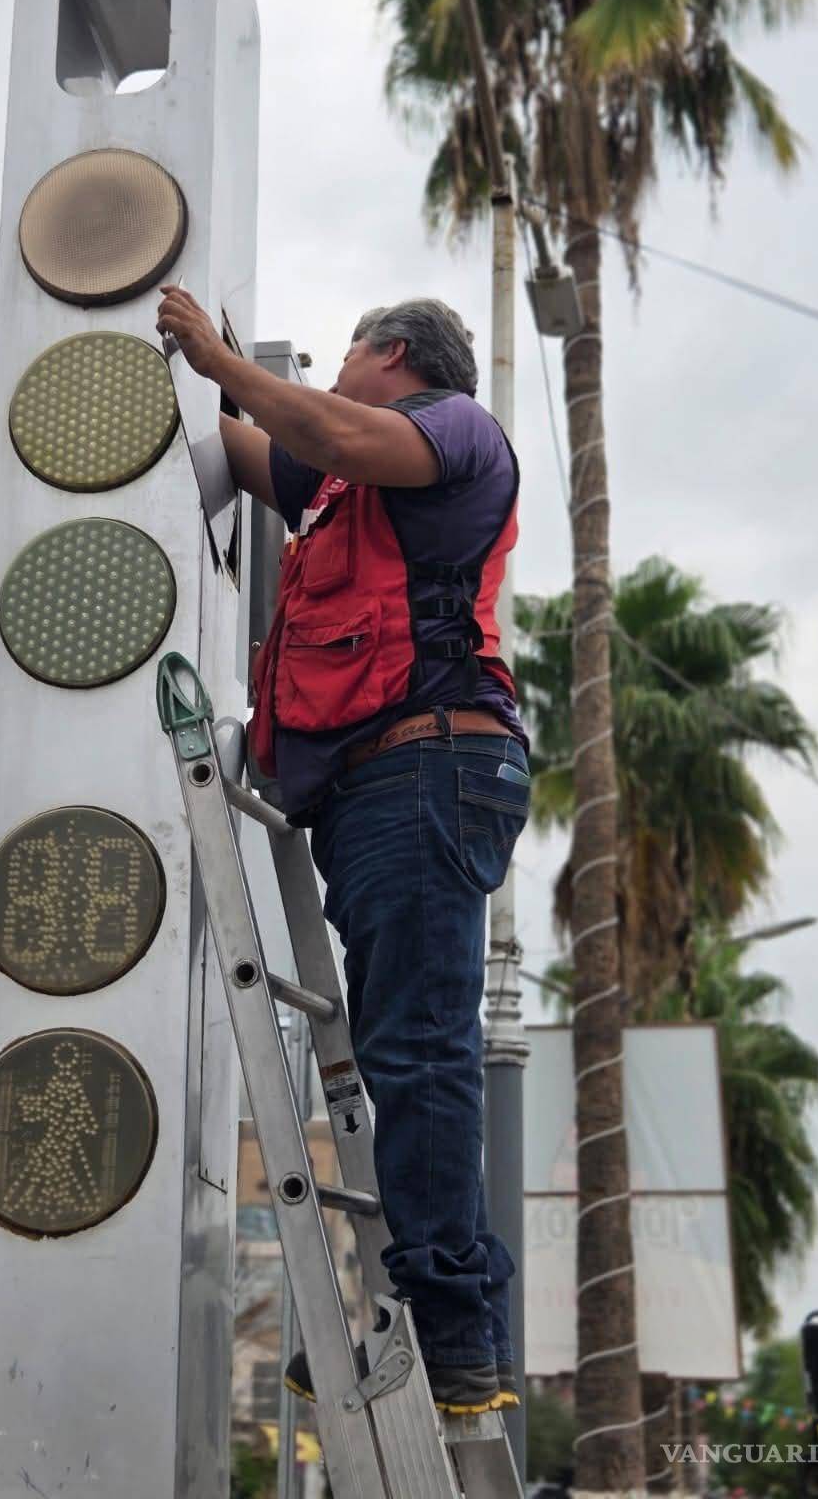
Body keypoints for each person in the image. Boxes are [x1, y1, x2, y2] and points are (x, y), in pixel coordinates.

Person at [156, 285, 531, 1416]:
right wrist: (151, 366)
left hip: (429, 764)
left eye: (350, 354)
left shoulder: (456, 427)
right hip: (384, 780)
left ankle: (455, 1338)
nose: (335, 376)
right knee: (395, 1049)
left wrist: (221, 350)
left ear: (393, 354)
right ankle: (417, 1316)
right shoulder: (337, 490)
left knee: (418, 1050)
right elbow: (236, 436)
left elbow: (318, 429)